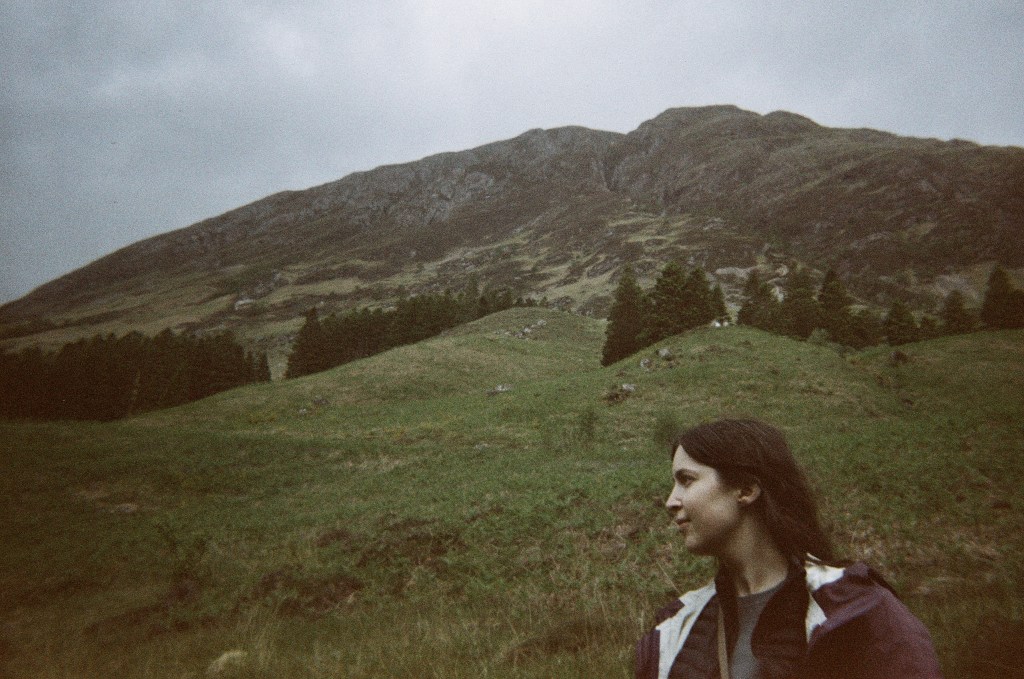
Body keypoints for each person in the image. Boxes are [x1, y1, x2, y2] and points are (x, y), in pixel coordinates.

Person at [636, 418, 942, 679]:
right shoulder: (676, 629)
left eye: (686, 480)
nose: (671, 501)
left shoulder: (854, 610)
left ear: (746, 489)